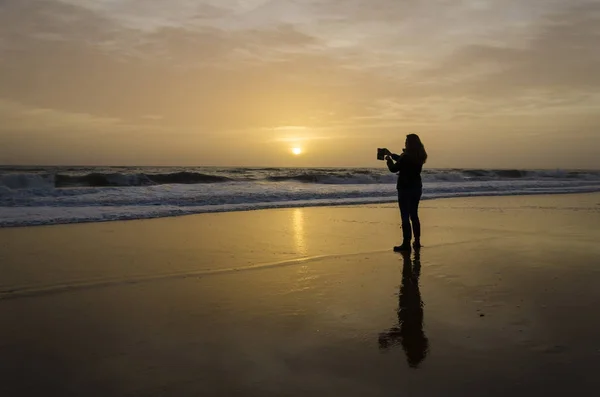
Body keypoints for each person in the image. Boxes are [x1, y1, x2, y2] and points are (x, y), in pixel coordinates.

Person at [384, 134, 427, 252]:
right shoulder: (419, 155)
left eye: (406, 141)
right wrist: (392, 155)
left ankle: (406, 243)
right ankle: (417, 241)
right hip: (416, 187)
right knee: (414, 215)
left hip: (405, 188)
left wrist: (388, 160)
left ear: (409, 143)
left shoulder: (406, 156)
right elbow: (403, 161)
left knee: (404, 216)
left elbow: (394, 168)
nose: (405, 143)